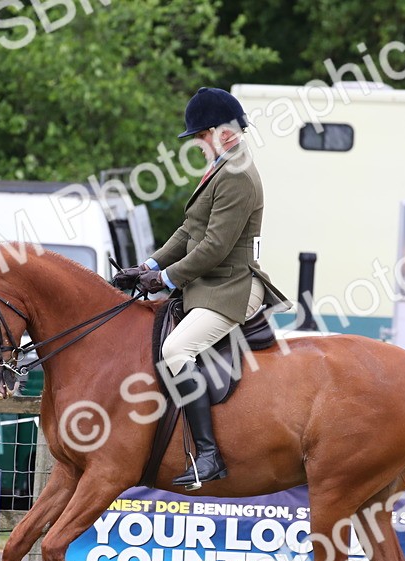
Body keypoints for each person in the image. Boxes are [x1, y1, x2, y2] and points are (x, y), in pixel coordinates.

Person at [114, 87, 289, 489]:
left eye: (199, 135)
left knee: (175, 350)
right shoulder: (221, 167)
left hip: (233, 288)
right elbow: (190, 230)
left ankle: (209, 455)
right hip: (212, 284)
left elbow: (214, 247)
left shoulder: (238, 175)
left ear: (220, 131)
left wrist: (167, 279)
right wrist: (148, 266)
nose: (196, 143)